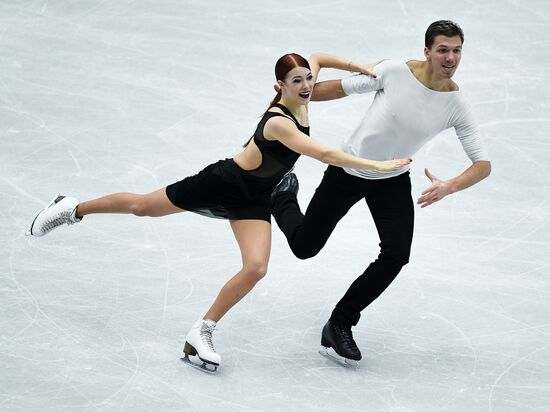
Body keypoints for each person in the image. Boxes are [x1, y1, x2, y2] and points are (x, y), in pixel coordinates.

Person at [26, 53, 411, 373]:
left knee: (256, 268)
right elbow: (324, 154)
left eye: (308, 78)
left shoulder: (305, 93)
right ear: (280, 87)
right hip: (222, 182)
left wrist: (356, 68)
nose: (307, 85)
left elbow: (321, 56)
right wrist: (375, 166)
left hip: (257, 197)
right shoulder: (279, 121)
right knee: (143, 207)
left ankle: (202, 330)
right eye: (297, 81)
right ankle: (73, 208)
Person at [271, 21, 491, 366]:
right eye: (443, 49)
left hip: (392, 177)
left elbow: (483, 164)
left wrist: (449, 186)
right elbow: (334, 90)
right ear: (427, 52)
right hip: (348, 169)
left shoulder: (456, 104)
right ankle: (282, 195)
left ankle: (340, 322)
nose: (450, 57)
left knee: (396, 254)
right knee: (304, 247)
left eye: (457, 50)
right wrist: (295, 95)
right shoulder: (393, 72)